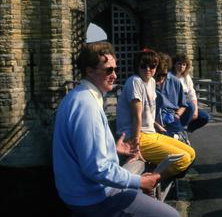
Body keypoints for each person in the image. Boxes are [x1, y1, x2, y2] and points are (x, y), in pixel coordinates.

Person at [53, 42, 179, 217]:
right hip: (92, 198)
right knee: (171, 216)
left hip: (76, 193)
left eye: (115, 69)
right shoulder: (87, 106)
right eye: (108, 70)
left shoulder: (77, 96)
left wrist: (111, 147)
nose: (114, 75)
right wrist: (139, 181)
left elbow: (80, 150)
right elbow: (97, 168)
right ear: (89, 71)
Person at [116, 48, 195, 178]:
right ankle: (151, 181)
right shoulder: (135, 81)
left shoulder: (151, 82)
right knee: (183, 159)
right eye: (143, 66)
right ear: (137, 66)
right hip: (136, 137)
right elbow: (137, 117)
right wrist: (135, 147)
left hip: (150, 133)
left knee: (191, 153)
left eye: (152, 66)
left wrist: (159, 127)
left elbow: (149, 114)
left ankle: (154, 180)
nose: (148, 69)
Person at [155, 52, 191, 145]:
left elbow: (183, 104)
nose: (160, 79)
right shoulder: (148, 82)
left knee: (184, 146)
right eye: (158, 75)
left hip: (171, 118)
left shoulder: (175, 82)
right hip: (153, 120)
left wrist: (177, 115)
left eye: (164, 75)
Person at [172, 53, 209, 133]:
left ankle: (186, 130)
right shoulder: (170, 77)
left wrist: (195, 110)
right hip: (175, 106)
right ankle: (179, 131)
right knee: (189, 106)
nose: (181, 66)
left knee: (204, 117)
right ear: (174, 64)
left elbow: (192, 94)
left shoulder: (186, 77)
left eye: (183, 64)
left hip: (187, 105)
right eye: (179, 64)